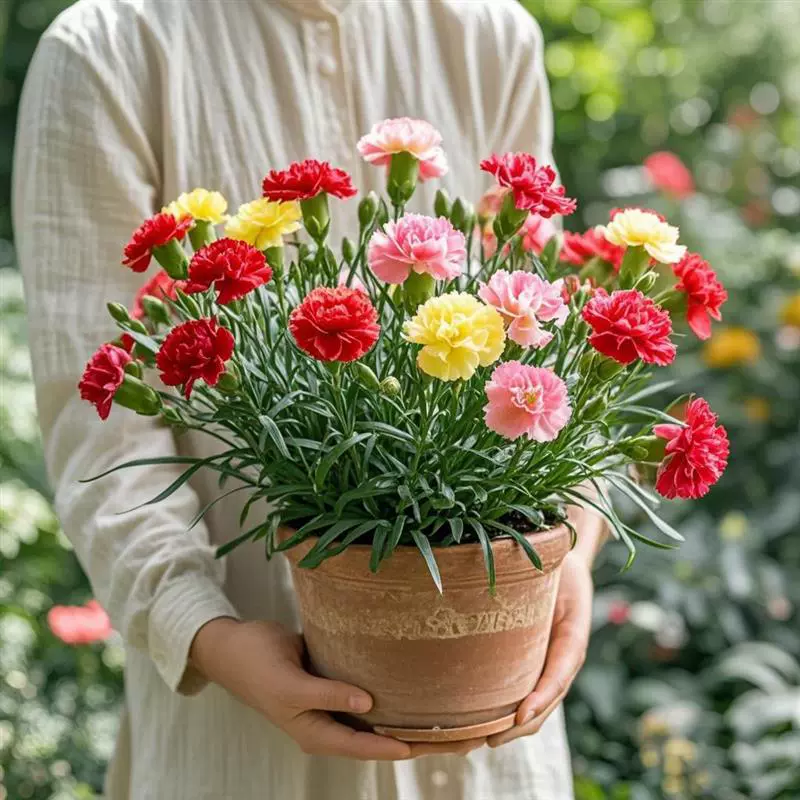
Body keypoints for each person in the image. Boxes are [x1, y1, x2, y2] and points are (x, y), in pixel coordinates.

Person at [13, 1, 605, 798]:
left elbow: (544, 335)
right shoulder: (108, 50)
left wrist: (571, 561)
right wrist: (205, 632)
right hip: (240, 741)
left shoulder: (492, 35)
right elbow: (100, 414)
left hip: (495, 736)